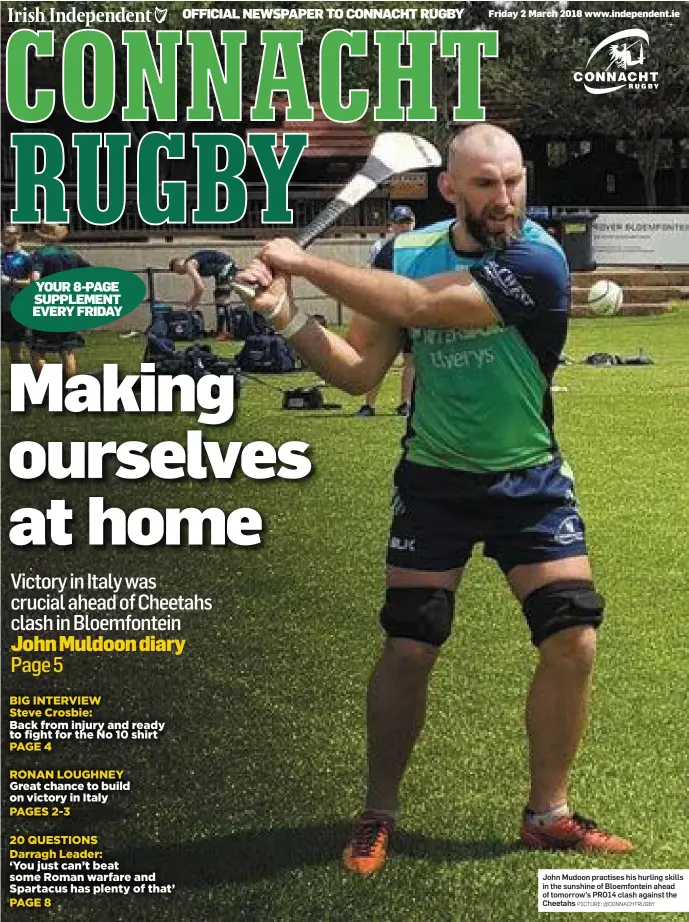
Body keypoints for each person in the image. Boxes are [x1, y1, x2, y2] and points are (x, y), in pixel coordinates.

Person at [235, 124, 634, 874]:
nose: (504, 198)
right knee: (410, 645)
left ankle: (546, 813)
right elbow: (356, 374)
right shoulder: (403, 253)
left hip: (527, 480)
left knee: (572, 636)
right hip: (434, 482)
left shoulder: (537, 260)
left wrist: (301, 258)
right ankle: (376, 812)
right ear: (448, 188)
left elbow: (420, 306)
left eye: (514, 180)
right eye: (485, 184)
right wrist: (281, 313)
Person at [355, 205, 416, 418]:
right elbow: (371, 278)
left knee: (410, 359)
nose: (404, 227)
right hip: (386, 308)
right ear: (391, 225)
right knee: (380, 359)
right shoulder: (380, 247)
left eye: (407, 222)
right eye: (400, 223)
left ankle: (405, 403)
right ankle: (368, 405)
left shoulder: (420, 247)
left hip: (410, 308)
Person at [29, 224, 89, 379]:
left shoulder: (40, 255)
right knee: (67, 352)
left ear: (42, 237)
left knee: (38, 350)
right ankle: (70, 390)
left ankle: (44, 387)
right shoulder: (73, 255)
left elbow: (35, 280)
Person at [169, 249, 237, 340]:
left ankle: (228, 332)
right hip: (224, 267)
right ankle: (222, 331)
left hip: (225, 267)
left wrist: (192, 304)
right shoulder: (192, 262)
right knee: (220, 297)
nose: (180, 274)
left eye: (177, 272)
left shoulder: (189, 265)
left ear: (177, 266)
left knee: (222, 298)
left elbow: (200, 288)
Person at [1, 224, 33, 364]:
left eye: (10, 233)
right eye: (4, 233)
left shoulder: (25, 258)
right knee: (11, 351)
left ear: (18, 236)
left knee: (21, 349)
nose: (6, 235)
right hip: (3, 308)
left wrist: (11, 281)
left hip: (17, 307)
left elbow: (33, 282)